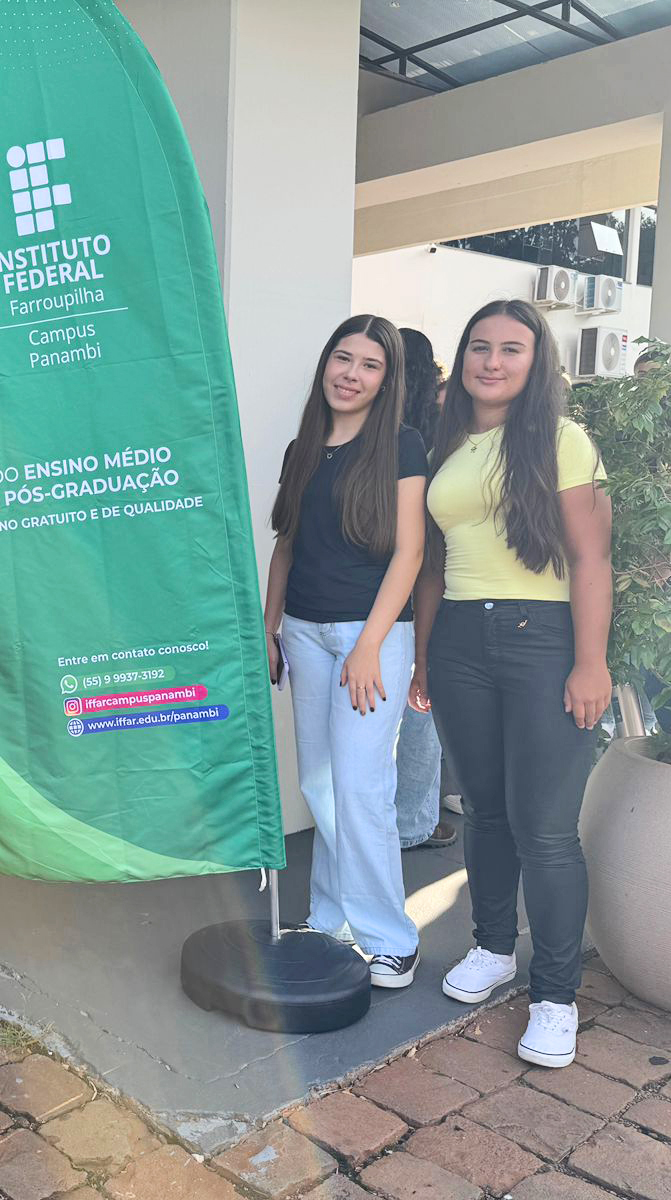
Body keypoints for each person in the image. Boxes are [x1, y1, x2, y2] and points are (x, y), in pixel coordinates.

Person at [411, 298, 611, 1068]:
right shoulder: (451, 444)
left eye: (511, 348)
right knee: (486, 812)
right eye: (479, 347)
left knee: (546, 827)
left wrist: (589, 661)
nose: (491, 361)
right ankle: (493, 948)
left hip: (543, 638)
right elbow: (435, 562)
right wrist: (425, 656)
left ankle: (555, 995)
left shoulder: (561, 440)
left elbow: (591, 557)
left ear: (537, 362)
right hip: (460, 639)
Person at [263, 315, 425, 988]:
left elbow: (410, 552)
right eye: (342, 358)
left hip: (370, 636)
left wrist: (369, 645)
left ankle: (392, 938)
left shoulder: (403, 445)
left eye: (369, 365)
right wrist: (268, 628)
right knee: (321, 785)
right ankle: (330, 919)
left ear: (387, 380)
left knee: (361, 788)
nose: (351, 374)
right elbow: (287, 544)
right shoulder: (303, 447)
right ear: (326, 363)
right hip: (304, 633)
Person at [392, 329, 456, 854]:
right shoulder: (444, 426)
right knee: (423, 700)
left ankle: (376, 817)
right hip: (439, 569)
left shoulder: (381, 426)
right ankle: (414, 820)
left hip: (381, 572)